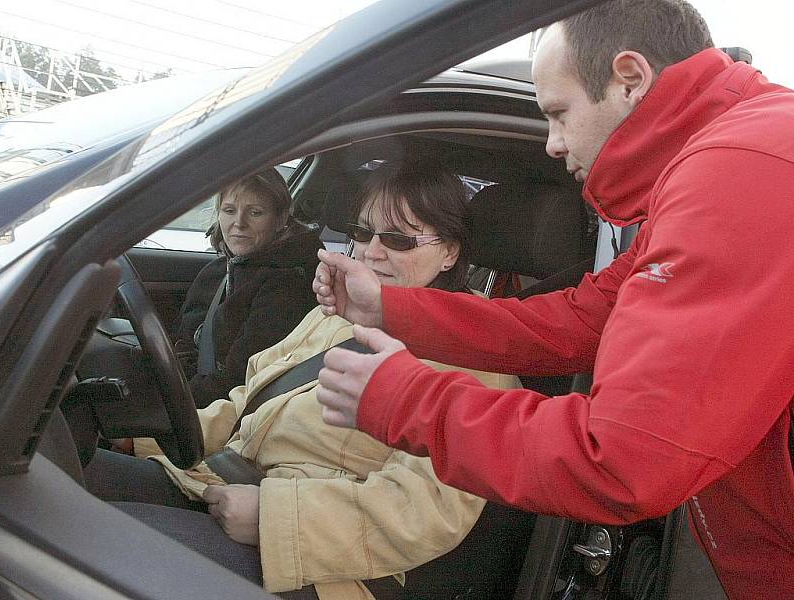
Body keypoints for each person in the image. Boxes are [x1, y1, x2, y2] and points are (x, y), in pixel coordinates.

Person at [312, 2, 794, 598]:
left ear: (629, 78)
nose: (552, 144)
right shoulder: (727, 160)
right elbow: (581, 322)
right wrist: (387, 307)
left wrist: (400, 398)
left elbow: (621, 460)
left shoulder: (742, 173)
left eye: (558, 114)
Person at [85, 162, 521, 600]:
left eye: (398, 239)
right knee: (73, 472)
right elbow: (246, 402)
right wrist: (146, 437)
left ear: (449, 252)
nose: (371, 252)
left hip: (322, 562)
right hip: (227, 480)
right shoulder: (337, 312)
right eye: (363, 233)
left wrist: (272, 519)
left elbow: (424, 511)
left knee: (94, 549)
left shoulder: (475, 361)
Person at [174, 168, 323, 408]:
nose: (239, 223)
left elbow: (238, 381)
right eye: (229, 211)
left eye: (255, 213)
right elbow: (183, 343)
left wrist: (164, 408)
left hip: (220, 410)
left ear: (281, 219)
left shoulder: (287, 284)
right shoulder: (217, 271)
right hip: (192, 389)